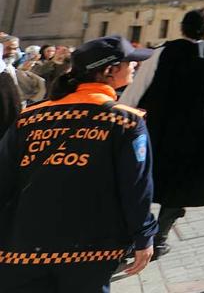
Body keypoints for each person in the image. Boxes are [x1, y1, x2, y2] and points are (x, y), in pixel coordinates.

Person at [0, 36, 157, 292]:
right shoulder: (126, 122)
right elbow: (136, 188)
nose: (134, 67)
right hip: (91, 250)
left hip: (23, 246)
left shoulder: (29, 119)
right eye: (130, 62)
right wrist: (144, 236)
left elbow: (3, 177)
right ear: (109, 70)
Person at [120, 7, 204, 259]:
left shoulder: (163, 52)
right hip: (195, 133)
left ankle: (135, 237)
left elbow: (137, 88)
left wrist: (122, 113)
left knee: (144, 180)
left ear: (182, 27)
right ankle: (160, 239)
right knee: (180, 186)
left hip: (159, 128)